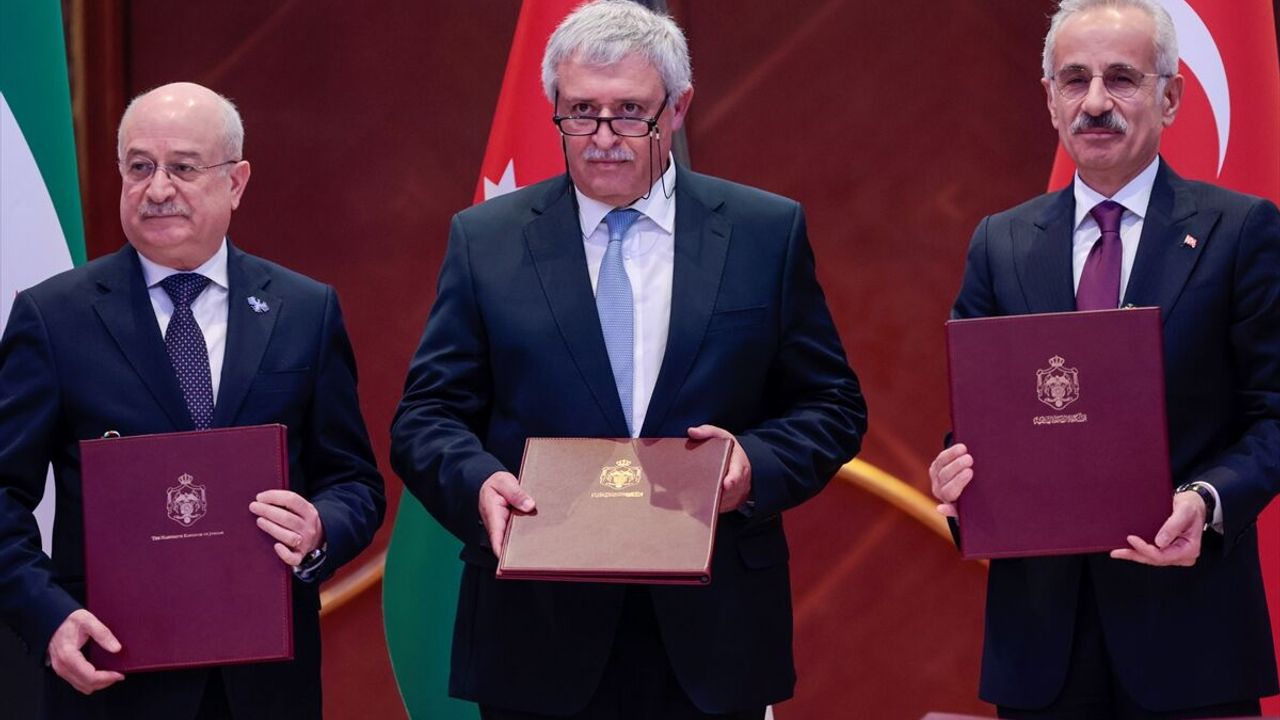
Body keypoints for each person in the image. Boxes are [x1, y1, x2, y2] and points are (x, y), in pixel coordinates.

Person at [390, 1, 867, 717]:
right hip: (537, 632)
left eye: (631, 113)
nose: (604, 138)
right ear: (554, 107)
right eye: (582, 112)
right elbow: (426, 417)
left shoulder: (764, 232)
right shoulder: (486, 240)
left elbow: (832, 406)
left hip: (713, 631)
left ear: (677, 108)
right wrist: (479, 483)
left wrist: (753, 466)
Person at [928, 1, 1280, 717]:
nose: (1094, 103)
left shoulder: (1241, 231)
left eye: (1121, 78)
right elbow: (983, 416)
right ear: (1050, 99)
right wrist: (957, 475)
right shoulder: (999, 243)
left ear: (1170, 97)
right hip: (1042, 650)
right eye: (1074, 79)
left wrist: (1207, 501)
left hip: (1191, 637)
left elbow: (1274, 414)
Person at [0, 82, 385, 719]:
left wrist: (321, 527)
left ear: (236, 182)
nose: (157, 189)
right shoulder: (54, 317)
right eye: (139, 167)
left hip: (266, 685)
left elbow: (354, 482)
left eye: (182, 168)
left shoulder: (304, 310)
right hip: (112, 677)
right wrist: (48, 616)